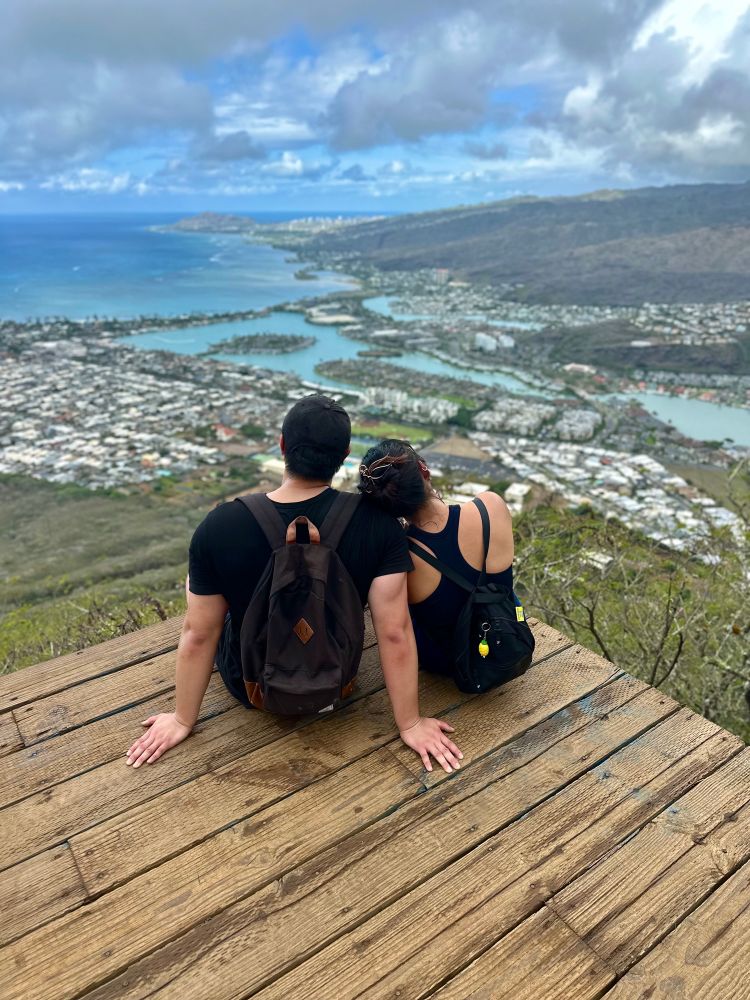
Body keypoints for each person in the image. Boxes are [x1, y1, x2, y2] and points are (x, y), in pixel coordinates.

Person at [126, 395, 463, 773]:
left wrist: (183, 719)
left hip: (252, 687)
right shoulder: (377, 526)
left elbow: (200, 633)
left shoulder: (219, 526)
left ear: (283, 445)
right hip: (337, 682)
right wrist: (411, 723)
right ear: (345, 454)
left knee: (199, 585)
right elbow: (394, 631)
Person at [358, 439, 515, 680]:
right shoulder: (490, 507)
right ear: (424, 470)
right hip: (506, 641)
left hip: (449, 663)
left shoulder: (400, 556)